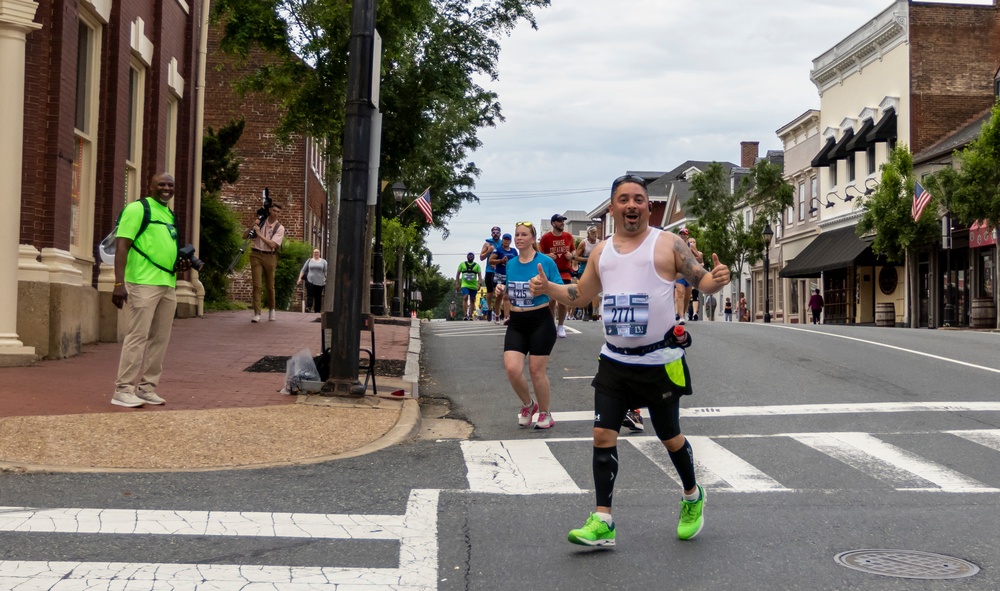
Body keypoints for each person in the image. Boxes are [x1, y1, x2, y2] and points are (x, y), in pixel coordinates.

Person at [530, 174, 731, 547]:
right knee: (603, 434)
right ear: (613, 207)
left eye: (639, 199)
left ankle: (692, 496)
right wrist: (549, 288)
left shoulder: (667, 244)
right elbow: (580, 293)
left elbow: (701, 280)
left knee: (669, 437)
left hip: (660, 360)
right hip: (615, 360)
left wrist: (717, 280)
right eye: (624, 199)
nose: (633, 205)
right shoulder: (602, 252)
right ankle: (603, 519)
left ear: (647, 207)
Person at [110, 172, 194, 408]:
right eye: (161, 184)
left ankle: (147, 388)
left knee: (160, 339)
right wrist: (118, 283)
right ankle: (123, 389)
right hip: (142, 282)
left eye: (170, 185)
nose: (166, 188)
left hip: (167, 284)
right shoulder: (137, 209)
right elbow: (122, 246)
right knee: (138, 336)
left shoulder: (169, 214)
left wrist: (180, 262)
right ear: (150, 186)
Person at [495, 221, 563, 429]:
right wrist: (499, 293)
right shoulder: (511, 264)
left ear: (533, 239)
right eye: (517, 235)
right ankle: (528, 404)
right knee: (512, 369)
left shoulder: (545, 263)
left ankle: (545, 413)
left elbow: (560, 290)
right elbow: (507, 294)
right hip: (516, 322)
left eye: (524, 234)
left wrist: (545, 289)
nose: (519, 238)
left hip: (540, 320)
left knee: (536, 370)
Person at [246, 200, 285, 322]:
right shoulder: (261, 222)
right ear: (269, 210)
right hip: (256, 254)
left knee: (270, 285)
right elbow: (245, 236)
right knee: (257, 285)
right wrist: (254, 225)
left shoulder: (280, 228)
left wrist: (260, 234)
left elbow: (273, 244)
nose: (275, 213)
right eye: (273, 210)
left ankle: (272, 309)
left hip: (270, 256)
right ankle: (257, 313)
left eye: (278, 212)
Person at [539, 214, 575, 338]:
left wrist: (571, 255)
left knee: (563, 299)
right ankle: (551, 324)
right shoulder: (546, 238)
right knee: (552, 299)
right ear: (553, 223)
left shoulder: (568, 236)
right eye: (559, 221)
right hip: (551, 272)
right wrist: (547, 256)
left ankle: (561, 326)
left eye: (563, 221)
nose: (562, 223)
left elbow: (573, 251)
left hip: (565, 271)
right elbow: (539, 253)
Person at [673, 228, 704, 323]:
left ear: (687, 236)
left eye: (684, 234)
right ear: (679, 235)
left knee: (687, 296)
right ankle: (681, 317)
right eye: (681, 234)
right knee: (680, 294)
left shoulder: (690, 246)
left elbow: (700, 258)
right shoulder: (675, 246)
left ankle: (684, 312)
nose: (682, 236)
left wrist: (692, 258)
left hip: (689, 273)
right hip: (679, 273)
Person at [488, 233, 518, 324]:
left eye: (508, 239)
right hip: (499, 275)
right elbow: (490, 260)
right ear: (503, 240)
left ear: (510, 241)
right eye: (505, 239)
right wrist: (501, 261)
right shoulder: (498, 250)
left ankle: (506, 316)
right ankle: (497, 314)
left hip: (510, 275)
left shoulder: (513, 251)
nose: (506, 241)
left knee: (507, 296)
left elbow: (517, 261)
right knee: (499, 296)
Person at [575, 226, 601, 321]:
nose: (595, 234)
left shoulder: (599, 243)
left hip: (595, 267)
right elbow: (576, 257)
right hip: (584, 268)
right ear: (588, 234)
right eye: (593, 232)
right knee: (585, 290)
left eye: (596, 232)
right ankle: (585, 312)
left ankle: (595, 312)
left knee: (595, 290)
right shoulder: (583, 243)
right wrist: (588, 259)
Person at [480, 226, 503, 321]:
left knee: (500, 291)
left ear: (500, 234)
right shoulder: (487, 243)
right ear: (491, 234)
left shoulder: (502, 243)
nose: (495, 234)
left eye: (497, 232)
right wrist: (488, 251)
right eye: (494, 232)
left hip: (500, 270)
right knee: (490, 291)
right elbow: (481, 257)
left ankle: (499, 310)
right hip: (489, 271)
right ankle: (489, 309)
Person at [297, 248, 327, 313]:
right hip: (310, 280)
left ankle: (317, 311)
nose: (316, 253)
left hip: (320, 281)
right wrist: (299, 278)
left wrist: (326, 279)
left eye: (317, 252)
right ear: (313, 253)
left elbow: (326, 271)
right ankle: (308, 307)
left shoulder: (323, 262)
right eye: (315, 252)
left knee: (318, 296)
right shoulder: (309, 260)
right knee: (310, 294)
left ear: (319, 253)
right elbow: (303, 270)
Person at [455, 252, 482, 320]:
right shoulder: (462, 264)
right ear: (467, 257)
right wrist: (457, 283)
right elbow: (458, 274)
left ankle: (470, 315)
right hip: (465, 285)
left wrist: (479, 284)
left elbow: (479, 275)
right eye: (469, 256)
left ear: (474, 257)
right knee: (465, 297)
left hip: (473, 286)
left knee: (472, 299)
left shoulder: (477, 266)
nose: (470, 257)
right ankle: (465, 314)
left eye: (472, 256)